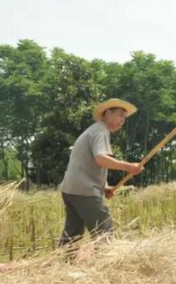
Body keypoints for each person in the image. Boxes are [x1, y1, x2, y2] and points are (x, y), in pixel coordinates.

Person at [59, 99, 144, 249]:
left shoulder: (94, 130)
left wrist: (105, 187)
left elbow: (86, 164)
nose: (122, 121)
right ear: (108, 113)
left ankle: (64, 263)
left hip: (71, 189)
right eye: (120, 116)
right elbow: (101, 159)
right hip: (84, 190)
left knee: (73, 231)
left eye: (124, 118)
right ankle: (107, 263)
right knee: (103, 227)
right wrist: (129, 167)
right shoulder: (101, 131)